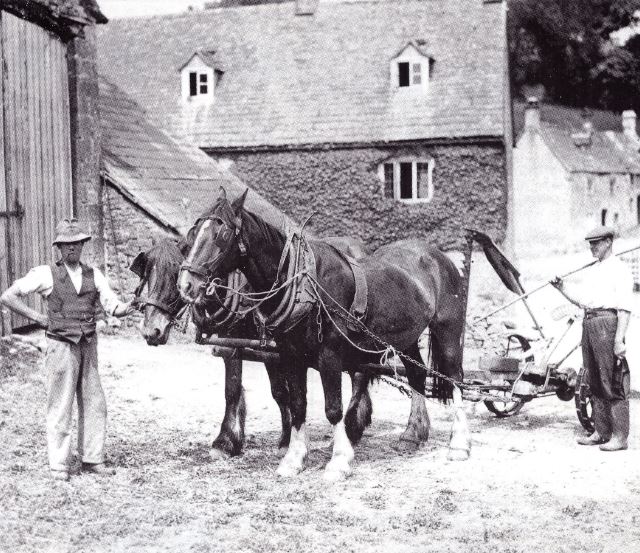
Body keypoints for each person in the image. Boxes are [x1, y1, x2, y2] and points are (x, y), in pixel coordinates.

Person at [0, 218, 133, 480]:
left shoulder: (94, 275)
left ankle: (92, 459)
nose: (71, 249)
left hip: (88, 345)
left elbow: (113, 306)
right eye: (65, 245)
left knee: (95, 403)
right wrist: (37, 319)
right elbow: (8, 296)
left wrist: (131, 306)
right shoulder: (45, 274)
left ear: (83, 245)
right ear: (58, 248)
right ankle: (59, 464)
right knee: (60, 403)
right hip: (60, 346)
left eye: (76, 243)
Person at [550, 225, 633, 451]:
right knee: (593, 379)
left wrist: (619, 339)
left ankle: (619, 436)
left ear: (608, 242)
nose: (592, 247)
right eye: (590, 244)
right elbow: (583, 299)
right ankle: (601, 431)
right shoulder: (594, 270)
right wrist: (562, 287)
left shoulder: (620, 270)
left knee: (613, 381)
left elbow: (625, 308)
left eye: (596, 243)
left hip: (607, 324)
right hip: (589, 323)